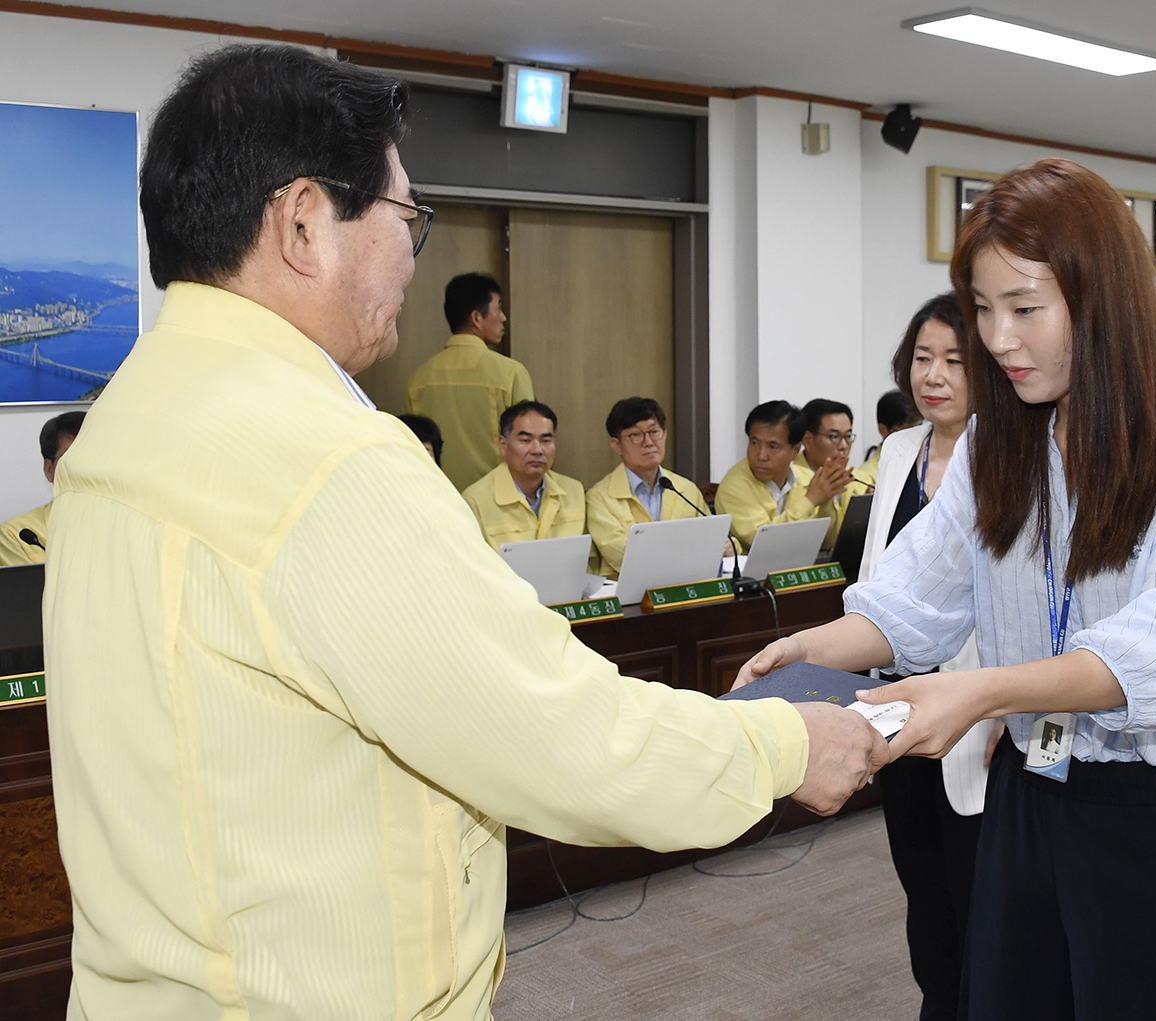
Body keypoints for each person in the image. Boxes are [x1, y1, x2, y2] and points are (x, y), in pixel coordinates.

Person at [45, 45, 887, 1020]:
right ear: (306, 221)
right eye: (408, 217)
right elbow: (556, 730)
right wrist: (785, 744)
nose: (416, 253)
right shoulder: (323, 457)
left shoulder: (127, 422)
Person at [736, 158, 1156, 1020]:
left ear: (1102, 298)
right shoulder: (999, 439)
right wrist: (804, 655)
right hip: (1033, 791)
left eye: (1024, 308)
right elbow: (912, 597)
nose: (998, 339)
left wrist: (979, 692)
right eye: (983, 310)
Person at [857, 292, 998, 1021]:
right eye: (922, 357)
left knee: (979, 882)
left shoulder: (1009, 452)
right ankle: (939, 1003)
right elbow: (883, 577)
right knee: (920, 875)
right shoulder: (898, 450)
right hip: (897, 705)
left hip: (980, 712)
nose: (933, 375)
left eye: (953, 359)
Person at [404, 272, 534, 491]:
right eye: (499, 308)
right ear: (476, 317)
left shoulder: (419, 379)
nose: (503, 317)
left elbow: (410, 451)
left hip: (438, 498)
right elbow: (530, 445)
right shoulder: (511, 374)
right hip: (497, 503)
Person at [586, 396, 711, 578]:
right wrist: (686, 555)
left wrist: (727, 546)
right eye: (635, 435)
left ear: (665, 434)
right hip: (627, 594)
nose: (649, 442)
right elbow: (621, 554)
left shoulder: (685, 489)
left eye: (654, 432)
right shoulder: (599, 497)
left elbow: (711, 537)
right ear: (616, 445)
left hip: (685, 584)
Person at [714, 400, 850, 552]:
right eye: (754, 443)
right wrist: (811, 500)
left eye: (773, 447)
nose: (761, 455)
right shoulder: (734, 486)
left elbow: (828, 544)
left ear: (795, 451)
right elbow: (766, 543)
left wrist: (825, 500)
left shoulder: (808, 479)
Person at [461, 400, 586, 552]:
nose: (537, 450)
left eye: (546, 441)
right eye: (525, 440)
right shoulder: (475, 500)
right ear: (503, 445)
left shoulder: (574, 491)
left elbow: (587, 560)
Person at [0, 410, 85, 566]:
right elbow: (29, 589)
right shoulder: (17, 535)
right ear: (49, 469)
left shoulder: (132, 526)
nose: (87, 468)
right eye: (72, 458)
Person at [800, 397, 872, 547]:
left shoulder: (860, 479)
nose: (844, 446)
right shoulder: (791, 480)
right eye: (833, 437)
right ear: (807, 439)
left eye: (847, 436)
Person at [858, 388, 919, 477]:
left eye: (919, 427)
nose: (916, 436)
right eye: (907, 429)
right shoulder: (866, 477)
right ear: (884, 430)